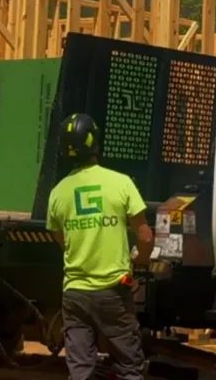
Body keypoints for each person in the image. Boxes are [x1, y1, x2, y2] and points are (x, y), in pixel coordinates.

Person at [46, 112, 154, 380]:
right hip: (113, 292)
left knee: (81, 370)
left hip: (75, 295)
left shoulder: (58, 192)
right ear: (95, 143)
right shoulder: (120, 182)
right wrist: (141, 259)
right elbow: (145, 236)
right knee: (129, 366)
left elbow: (62, 242)